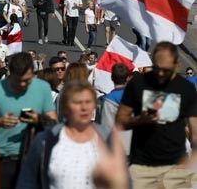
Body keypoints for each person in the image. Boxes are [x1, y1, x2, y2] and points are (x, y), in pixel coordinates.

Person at [115, 42, 197, 188]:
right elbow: (120, 120)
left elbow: (195, 132)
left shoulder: (186, 89)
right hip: (142, 165)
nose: (159, 74)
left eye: (165, 70)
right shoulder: (138, 83)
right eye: (156, 68)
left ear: (177, 65)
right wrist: (139, 120)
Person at [17, 80, 118, 188]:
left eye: (88, 102)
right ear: (65, 108)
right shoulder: (46, 140)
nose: (84, 108)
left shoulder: (107, 139)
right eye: (77, 102)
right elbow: (27, 181)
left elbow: (121, 180)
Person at [0, 52, 58, 188]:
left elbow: (53, 123)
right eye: (18, 81)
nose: (23, 84)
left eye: (28, 80)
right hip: (4, 158)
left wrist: (38, 119)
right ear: (10, 73)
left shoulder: (43, 88)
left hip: (34, 158)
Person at [97, 63, 132, 154]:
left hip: (117, 149)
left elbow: (106, 127)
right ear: (128, 78)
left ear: (112, 78)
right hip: (134, 147)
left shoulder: (108, 100)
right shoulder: (135, 96)